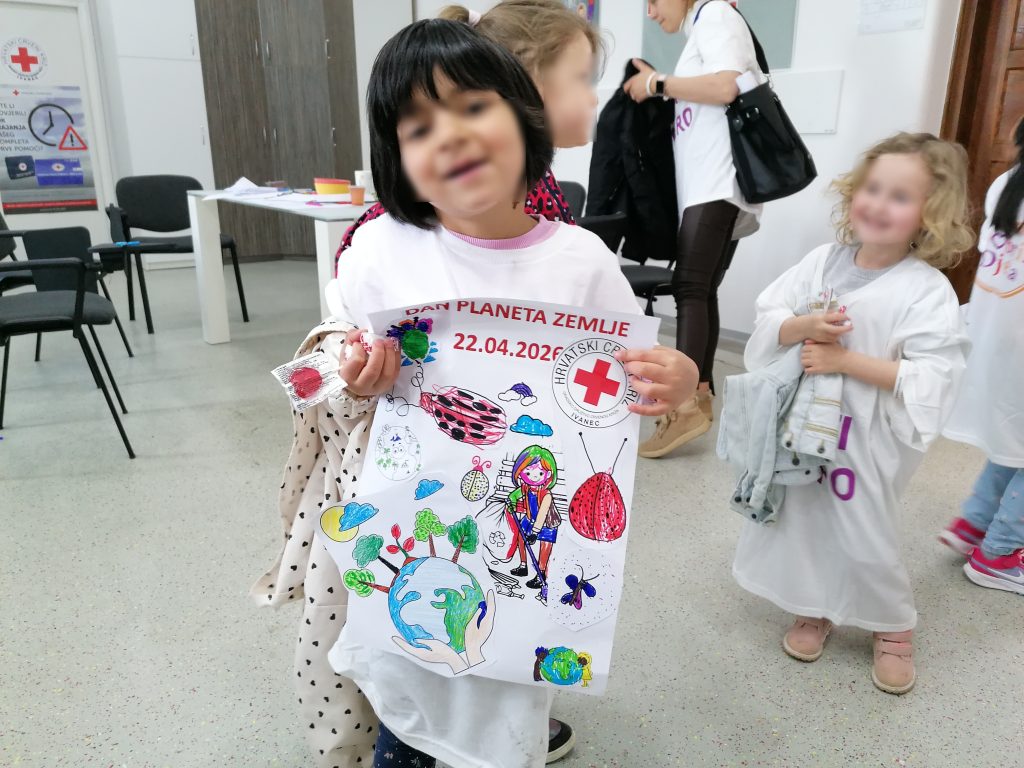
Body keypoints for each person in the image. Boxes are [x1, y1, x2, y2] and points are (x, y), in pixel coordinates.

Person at [260, 19, 698, 768]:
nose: (451, 135)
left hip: (523, 556)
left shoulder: (583, 263)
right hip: (406, 525)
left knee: (501, 703)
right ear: (396, 159)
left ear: (525, 117)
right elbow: (320, 368)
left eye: (472, 106)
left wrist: (677, 379)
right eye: (418, 126)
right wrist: (350, 369)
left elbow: (632, 377)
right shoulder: (380, 250)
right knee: (403, 703)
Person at [731, 133, 973, 695]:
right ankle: (815, 605)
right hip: (803, 430)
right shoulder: (822, 262)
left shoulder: (925, 290)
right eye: (873, 189)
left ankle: (893, 624)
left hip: (867, 438)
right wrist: (802, 327)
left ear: (929, 214)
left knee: (865, 529)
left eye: (900, 197)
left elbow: (933, 375)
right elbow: (771, 315)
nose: (879, 204)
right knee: (805, 518)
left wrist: (845, 361)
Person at [334, 0, 602, 273]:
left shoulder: (532, 183)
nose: (594, 99)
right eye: (581, 79)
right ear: (525, 83)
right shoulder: (507, 193)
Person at [623, 0, 765, 457]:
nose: (650, 12)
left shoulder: (716, 14)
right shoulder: (700, 28)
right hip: (709, 185)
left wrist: (656, 83)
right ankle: (698, 394)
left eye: (653, 1)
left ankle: (682, 406)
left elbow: (727, 85)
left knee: (689, 288)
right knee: (702, 290)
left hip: (717, 183)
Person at [940, 117, 1024, 595]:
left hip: (997, 339)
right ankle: (999, 554)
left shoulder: (1005, 183)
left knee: (1015, 441)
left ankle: (973, 524)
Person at [506, 445, 561, 588]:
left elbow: (542, 514)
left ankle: (540, 574)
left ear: (548, 475)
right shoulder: (525, 488)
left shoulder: (546, 495)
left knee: (545, 547)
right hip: (530, 519)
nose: (534, 477)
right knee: (521, 537)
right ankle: (523, 565)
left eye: (540, 473)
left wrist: (535, 533)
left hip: (547, 523)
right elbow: (513, 495)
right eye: (528, 472)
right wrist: (511, 503)